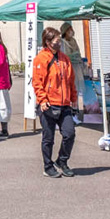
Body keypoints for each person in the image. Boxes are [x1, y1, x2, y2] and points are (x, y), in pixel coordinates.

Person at [32, 26, 78, 178]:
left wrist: (74, 98)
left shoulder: (65, 58)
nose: (59, 42)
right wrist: (42, 99)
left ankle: (62, 160)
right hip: (48, 104)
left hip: (64, 103)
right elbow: (37, 82)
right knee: (48, 137)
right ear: (48, 41)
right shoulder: (41, 58)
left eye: (59, 40)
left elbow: (71, 80)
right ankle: (48, 166)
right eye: (57, 40)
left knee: (69, 133)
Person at [58, 22, 87, 108]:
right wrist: (70, 57)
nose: (71, 31)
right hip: (66, 68)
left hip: (76, 67)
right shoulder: (61, 42)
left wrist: (77, 57)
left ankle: (75, 108)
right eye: (69, 29)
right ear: (65, 31)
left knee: (76, 88)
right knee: (67, 88)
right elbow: (63, 55)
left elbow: (78, 52)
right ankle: (68, 108)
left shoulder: (73, 41)